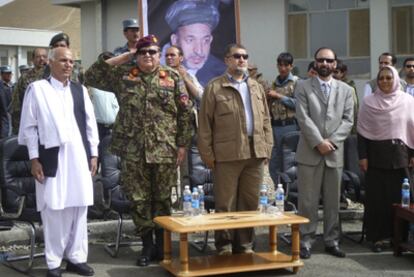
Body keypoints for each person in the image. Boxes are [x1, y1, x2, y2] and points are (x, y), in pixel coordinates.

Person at [85, 35, 193, 267]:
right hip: (133, 150)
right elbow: (90, 76)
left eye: (152, 52)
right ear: (137, 55)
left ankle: (163, 245)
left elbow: (185, 112)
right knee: (139, 199)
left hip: (164, 149)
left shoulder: (172, 77)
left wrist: (182, 145)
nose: (148, 56)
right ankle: (147, 245)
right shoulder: (124, 76)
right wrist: (124, 56)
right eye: (143, 52)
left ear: (159, 55)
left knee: (163, 199)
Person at [18, 47, 99, 277]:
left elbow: (90, 124)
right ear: (51, 63)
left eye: (71, 61)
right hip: (51, 159)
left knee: (79, 207)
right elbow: (30, 128)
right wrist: (34, 159)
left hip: (78, 158)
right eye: (63, 60)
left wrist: (93, 154)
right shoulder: (38, 90)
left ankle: (76, 258)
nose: (68, 65)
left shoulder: (79, 90)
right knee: (54, 209)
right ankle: (53, 262)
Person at [197, 43, 273, 255]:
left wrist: (267, 147)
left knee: (250, 202)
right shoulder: (214, 87)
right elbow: (204, 125)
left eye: (245, 56)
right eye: (237, 56)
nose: (242, 60)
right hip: (227, 154)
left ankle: (245, 246)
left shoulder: (256, 87)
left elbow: (266, 119)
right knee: (226, 204)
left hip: (255, 152)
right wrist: (208, 155)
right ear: (227, 60)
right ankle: (224, 245)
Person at [295, 47, 354, 259]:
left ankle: (332, 240)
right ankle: (306, 241)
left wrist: (332, 142)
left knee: (332, 201)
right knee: (308, 201)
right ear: (315, 62)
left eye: (329, 60)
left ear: (335, 64)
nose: (325, 64)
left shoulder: (346, 90)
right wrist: (319, 142)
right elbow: (302, 118)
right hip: (310, 152)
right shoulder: (302, 86)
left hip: (334, 153)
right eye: (321, 60)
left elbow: (348, 121)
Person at [357, 65, 414, 253]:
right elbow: (362, 133)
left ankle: (399, 238)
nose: (385, 81)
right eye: (381, 78)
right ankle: (378, 238)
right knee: (377, 200)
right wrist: (363, 157)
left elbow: (412, 128)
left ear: (396, 79)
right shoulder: (368, 102)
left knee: (401, 199)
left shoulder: (407, 101)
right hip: (375, 157)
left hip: (400, 156)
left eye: (389, 78)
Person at [12, 33, 83, 133]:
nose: (59, 49)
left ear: (68, 48)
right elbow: (18, 107)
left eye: (62, 46)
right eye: (56, 46)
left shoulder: (79, 71)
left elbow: (86, 101)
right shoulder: (39, 75)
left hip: (73, 126)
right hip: (45, 129)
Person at [165, 0, 226, 87]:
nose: (199, 51)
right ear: (175, 40)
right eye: (190, 40)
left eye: (205, 40)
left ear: (211, 40)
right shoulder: (159, 71)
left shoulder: (222, 75)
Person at [267, 52, 299, 184]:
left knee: (289, 161)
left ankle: (290, 191)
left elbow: (299, 104)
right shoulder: (274, 83)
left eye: (286, 65)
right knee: (274, 161)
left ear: (291, 66)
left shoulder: (297, 82)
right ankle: (277, 189)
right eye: (280, 65)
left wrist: (279, 96)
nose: (283, 68)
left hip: (290, 126)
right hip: (275, 126)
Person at [11, 47, 48, 134]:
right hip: (30, 121)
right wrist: (17, 127)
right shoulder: (25, 77)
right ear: (33, 59)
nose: (41, 59)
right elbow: (16, 102)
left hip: (48, 122)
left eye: (44, 56)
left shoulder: (53, 75)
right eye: (38, 57)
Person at [333, 59, 359, 134]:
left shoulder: (349, 88)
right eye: (331, 72)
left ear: (342, 73)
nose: (333, 75)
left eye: (336, 72)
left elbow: (354, 112)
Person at [0, 65, 14, 138]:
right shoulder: (1, 86)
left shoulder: (13, 86)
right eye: (7, 73)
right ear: (2, 74)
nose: (9, 75)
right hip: (3, 120)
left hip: (13, 119)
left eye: (10, 73)